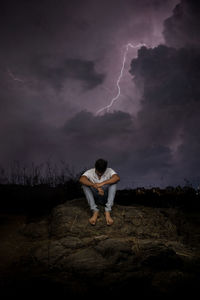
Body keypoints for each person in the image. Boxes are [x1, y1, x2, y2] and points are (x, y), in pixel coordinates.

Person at [79, 158, 120, 226]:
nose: (100, 174)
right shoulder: (90, 172)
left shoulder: (109, 170)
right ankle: (95, 210)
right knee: (84, 185)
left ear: (105, 169)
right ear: (95, 168)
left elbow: (117, 178)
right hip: (95, 197)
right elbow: (81, 179)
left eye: (102, 172)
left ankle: (107, 211)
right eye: (98, 172)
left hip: (105, 197)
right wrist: (94, 185)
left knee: (114, 183)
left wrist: (103, 183)